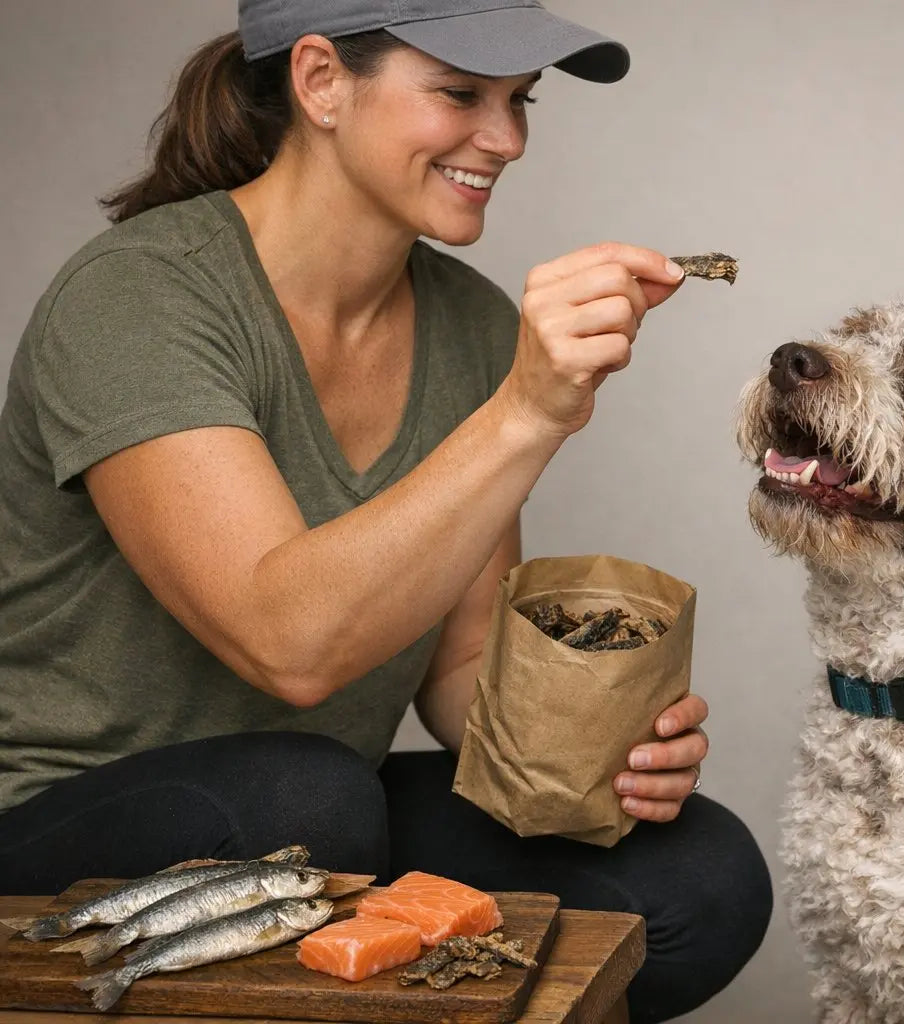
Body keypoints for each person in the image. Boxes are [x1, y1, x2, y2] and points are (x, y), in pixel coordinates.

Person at [0, 1, 771, 1018]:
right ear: (320, 82)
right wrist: (527, 413)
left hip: (325, 825)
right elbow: (291, 646)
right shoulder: (138, 298)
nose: (506, 140)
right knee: (307, 799)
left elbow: (455, 671)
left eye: (519, 101)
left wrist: (593, 744)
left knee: (699, 877)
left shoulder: (472, 324)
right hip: (66, 835)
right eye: (460, 94)